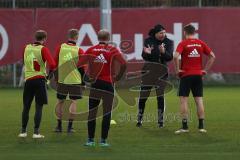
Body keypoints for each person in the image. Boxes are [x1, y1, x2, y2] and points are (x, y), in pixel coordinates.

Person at [80, 29, 126, 147]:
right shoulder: (112, 49)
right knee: (106, 112)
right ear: (108, 38)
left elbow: (80, 64)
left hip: (95, 84)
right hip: (108, 83)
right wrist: (118, 77)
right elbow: (124, 63)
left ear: (98, 38)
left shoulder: (90, 49)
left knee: (92, 112)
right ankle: (103, 141)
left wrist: (87, 76)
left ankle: (90, 140)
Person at [173, 24, 216, 134]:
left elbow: (175, 56)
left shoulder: (183, 43)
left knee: (183, 100)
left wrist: (177, 70)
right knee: (199, 100)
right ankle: (201, 127)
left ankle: (185, 127)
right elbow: (212, 56)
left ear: (184, 32)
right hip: (198, 75)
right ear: (194, 32)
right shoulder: (200, 43)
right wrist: (205, 70)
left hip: (186, 75)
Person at [18, 30, 55, 138]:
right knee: (39, 107)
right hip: (39, 80)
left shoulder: (26, 47)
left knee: (26, 107)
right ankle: (36, 132)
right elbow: (52, 64)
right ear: (45, 38)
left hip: (28, 80)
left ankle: (23, 131)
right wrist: (50, 75)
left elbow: (24, 61)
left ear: (35, 37)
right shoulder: (43, 49)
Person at [136, 24, 173, 128]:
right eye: (161, 33)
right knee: (143, 96)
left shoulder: (168, 42)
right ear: (156, 33)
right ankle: (139, 120)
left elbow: (169, 57)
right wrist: (146, 53)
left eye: (164, 32)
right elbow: (144, 56)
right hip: (149, 72)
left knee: (160, 96)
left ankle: (160, 122)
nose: (163, 35)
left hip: (162, 73)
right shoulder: (148, 41)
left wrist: (163, 52)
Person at [54, 29, 85, 133]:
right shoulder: (79, 50)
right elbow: (82, 68)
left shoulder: (60, 47)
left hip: (62, 80)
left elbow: (54, 63)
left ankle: (58, 127)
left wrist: (56, 78)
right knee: (73, 102)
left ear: (68, 36)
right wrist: (83, 82)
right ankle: (70, 127)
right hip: (75, 80)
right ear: (77, 37)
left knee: (60, 102)